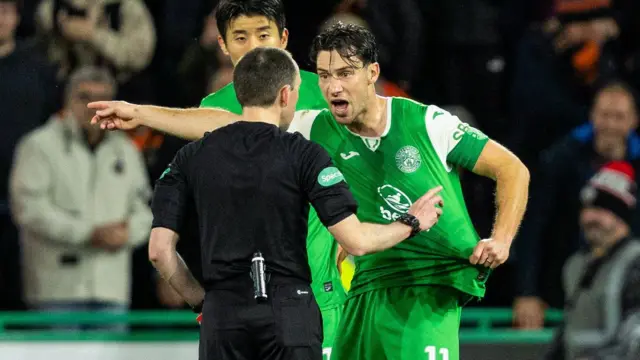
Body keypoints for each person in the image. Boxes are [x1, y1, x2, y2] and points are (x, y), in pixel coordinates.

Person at [90, 23, 530, 360]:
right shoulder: (312, 129)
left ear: (372, 73)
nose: (333, 86)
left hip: (428, 280)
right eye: (323, 75)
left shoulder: (427, 123)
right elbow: (236, 127)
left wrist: (503, 238)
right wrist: (141, 113)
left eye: (345, 73)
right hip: (366, 285)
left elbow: (512, 169)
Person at [147, 46, 444, 360]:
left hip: (224, 314)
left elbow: (159, 250)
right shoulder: (304, 154)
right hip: (290, 311)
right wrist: (410, 222)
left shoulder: (190, 157)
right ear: (285, 95)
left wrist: (203, 302)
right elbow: (356, 241)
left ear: (239, 93)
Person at [546, 161, 640, 360]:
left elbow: (635, 337)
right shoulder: (576, 265)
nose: (590, 217)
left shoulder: (635, 261)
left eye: (601, 210)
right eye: (586, 209)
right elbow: (569, 331)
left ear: (620, 216)